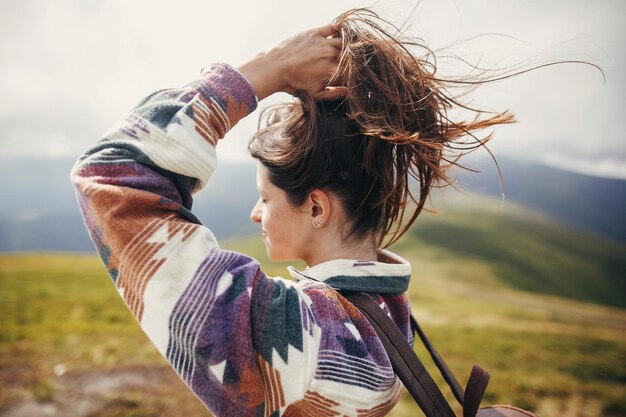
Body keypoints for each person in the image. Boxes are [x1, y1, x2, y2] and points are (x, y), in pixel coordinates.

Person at [72, 9, 513, 417]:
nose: (254, 214)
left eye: (265, 198)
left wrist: (264, 70)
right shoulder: (389, 310)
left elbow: (112, 173)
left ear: (317, 207)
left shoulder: (303, 338)